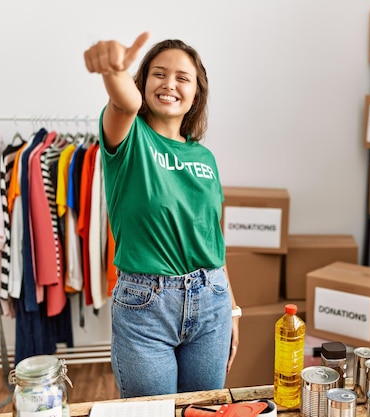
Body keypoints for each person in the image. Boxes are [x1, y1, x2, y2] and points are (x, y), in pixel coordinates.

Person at [83, 32, 240, 397]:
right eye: (159, 73)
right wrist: (114, 70)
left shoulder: (206, 158)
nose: (170, 84)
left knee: (203, 408)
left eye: (182, 78)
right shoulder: (129, 136)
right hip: (145, 306)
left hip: (212, 298)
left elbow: (212, 237)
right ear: (143, 82)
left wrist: (232, 309)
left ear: (196, 93)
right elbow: (123, 103)